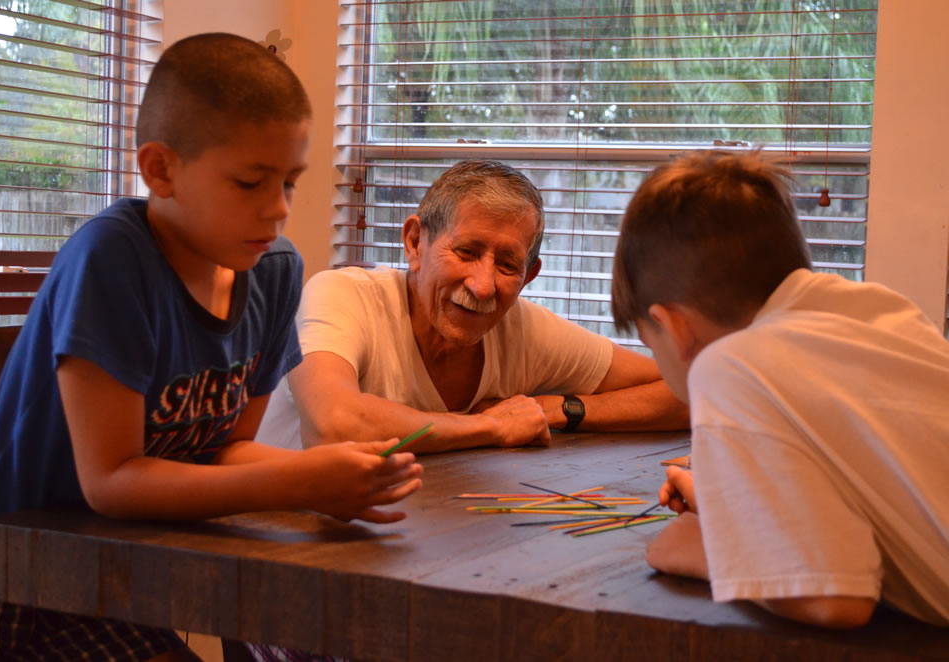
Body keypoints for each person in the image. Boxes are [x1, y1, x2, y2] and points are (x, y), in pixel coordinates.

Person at [0, 33, 422, 662]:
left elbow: (223, 449)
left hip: (91, 552)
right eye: (250, 182)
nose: (277, 210)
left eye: (290, 182)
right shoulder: (112, 259)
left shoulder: (275, 272)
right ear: (160, 170)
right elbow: (112, 480)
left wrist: (329, 473)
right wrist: (299, 483)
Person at [609, 149, 949, 628]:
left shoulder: (728, 366)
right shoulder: (880, 311)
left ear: (675, 328)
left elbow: (835, 599)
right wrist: (738, 503)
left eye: (650, 344)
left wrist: (709, 550)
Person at [257, 159, 689, 453]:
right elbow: (333, 424)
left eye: (507, 265)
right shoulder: (342, 295)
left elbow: (689, 391)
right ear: (415, 242)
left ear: (529, 276)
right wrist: (491, 425)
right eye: (466, 252)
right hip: (277, 537)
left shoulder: (525, 330)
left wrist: (559, 410)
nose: (483, 287)